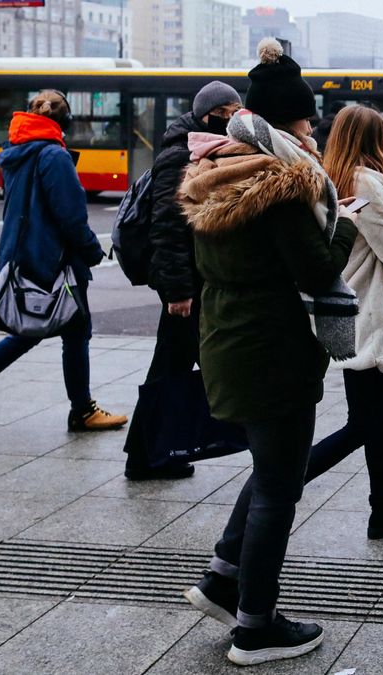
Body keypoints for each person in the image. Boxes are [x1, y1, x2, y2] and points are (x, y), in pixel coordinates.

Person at [176, 38, 359, 666]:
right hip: (272, 344)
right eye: (307, 118)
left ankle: (222, 580)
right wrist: (347, 230)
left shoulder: (211, 169)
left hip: (229, 333)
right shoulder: (280, 184)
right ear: (289, 121)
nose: (314, 128)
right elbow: (315, 271)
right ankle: (255, 627)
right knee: (281, 482)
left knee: (270, 465)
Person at [0, 91, 126, 436]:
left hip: (25, 255)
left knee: (56, 330)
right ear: (63, 121)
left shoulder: (18, 153)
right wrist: (91, 251)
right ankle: (80, 411)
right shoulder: (54, 155)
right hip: (52, 260)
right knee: (53, 330)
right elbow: (70, 215)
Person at [309, 104, 383, 538]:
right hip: (370, 317)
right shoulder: (365, 181)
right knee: (365, 422)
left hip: (348, 315)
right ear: (370, 139)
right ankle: (283, 482)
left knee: (376, 416)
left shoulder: (331, 177)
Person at [122, 82, 242, 481]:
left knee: (168, 368)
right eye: (225, 112)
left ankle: (150, 452)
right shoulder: (181, 156)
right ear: (207, 113)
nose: (230, 119)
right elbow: (168, 230)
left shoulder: (203, 151)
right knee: (169, 370)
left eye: (235, 111)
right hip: (184, 287)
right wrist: (177, 292)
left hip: (192, 283)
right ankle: (146, 456)